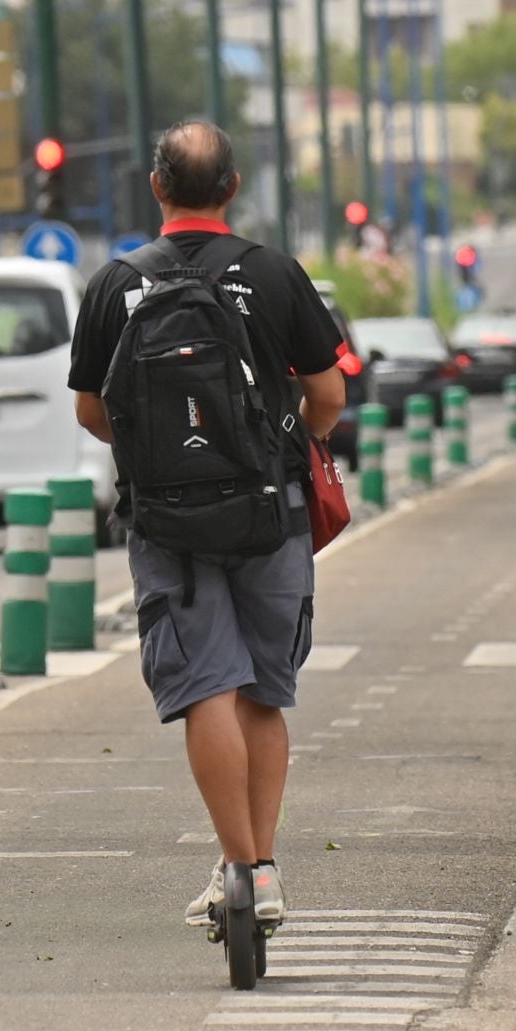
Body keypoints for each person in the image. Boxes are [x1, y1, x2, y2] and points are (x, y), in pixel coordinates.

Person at [67, 121, 348, 928]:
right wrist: (278, 443)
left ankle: (239, 870)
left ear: (156, 187)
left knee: (205, 690)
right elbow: (327, 396)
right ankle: (264, 869)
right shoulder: (273, 274)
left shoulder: (115, 284)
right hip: (271, 511)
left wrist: (167, 454)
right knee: (263, 693)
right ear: (232, 189)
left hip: (167, 521)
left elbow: (92, 411)